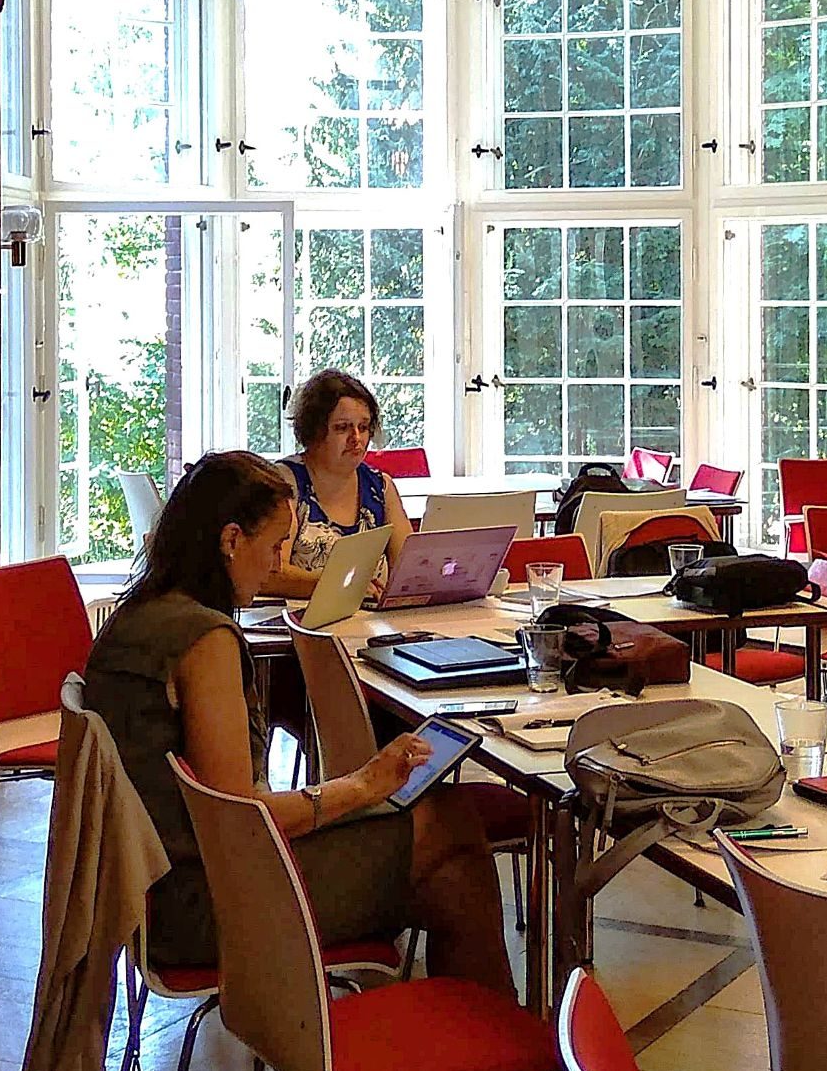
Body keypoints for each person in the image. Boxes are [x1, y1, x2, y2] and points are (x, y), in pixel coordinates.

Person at [82, 451, 514, 988]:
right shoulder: (204, 641)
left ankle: (461, 1018)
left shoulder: (134, 618)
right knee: (449, 831)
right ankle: (485, 1020)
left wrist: (358, 791)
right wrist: (362, 786)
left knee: (448, 864)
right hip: (203, 903)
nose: (277, 564)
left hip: (151, 885)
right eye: (273, 546)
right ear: (231, 539)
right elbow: (239, 818)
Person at [278, 368, 414, 594]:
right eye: (342, 428)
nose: (356, 438)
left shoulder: (381, 486)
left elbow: (410, 568)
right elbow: (272, 573)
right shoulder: (285, 483)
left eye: (363, 427)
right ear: (314, 431)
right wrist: (340, 586)